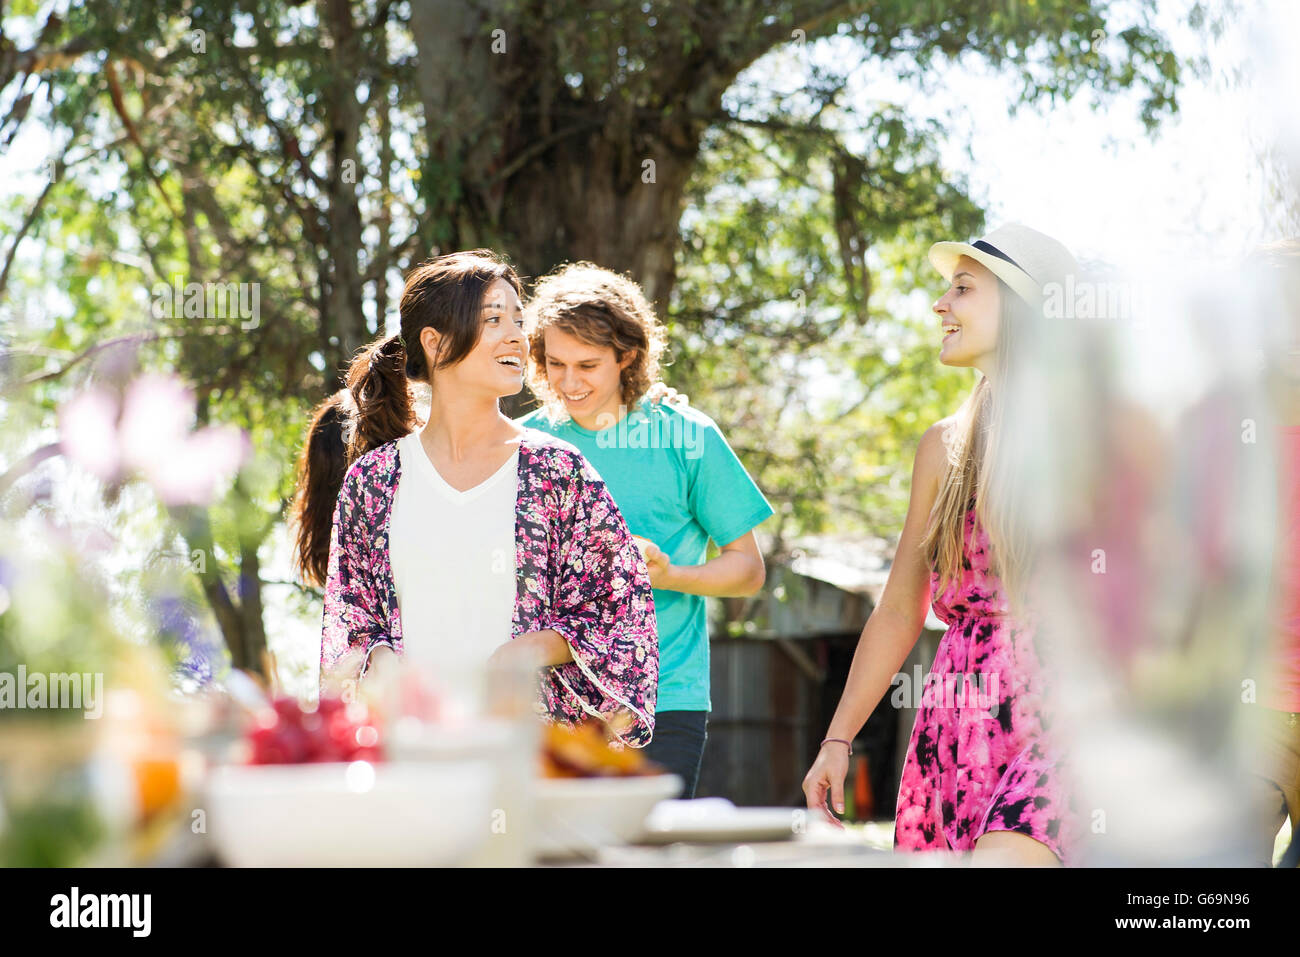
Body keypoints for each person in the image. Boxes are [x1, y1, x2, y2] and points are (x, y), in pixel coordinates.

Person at [290, 250, 658, 746]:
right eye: (493, 319)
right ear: (435, 344)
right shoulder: (373, 481)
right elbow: (351, 624)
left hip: (525, 761)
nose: (516, 336)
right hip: (409, 759)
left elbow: (618, 610)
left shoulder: (558, 471)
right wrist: (382, 663)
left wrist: (524, 652)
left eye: (518, 319)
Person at [802, 224, 1083, 865]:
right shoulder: (943, 447)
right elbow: (902, 608)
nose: (940, 306)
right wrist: (838, 740)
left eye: (962, 288)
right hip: (957, 728)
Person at [517, 262, 773, 797]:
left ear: (626, 356)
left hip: (665, 697)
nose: (569, 382)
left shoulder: (688, 436)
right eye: (555, 363)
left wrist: (668, 573)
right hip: (548, 696)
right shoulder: (521, 445)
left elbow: (748, 571)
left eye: (587, 365)